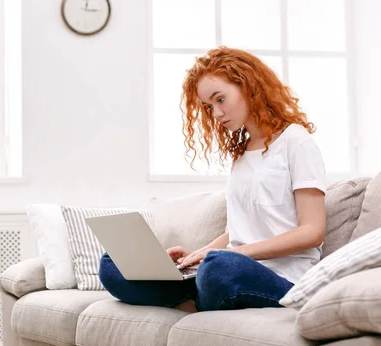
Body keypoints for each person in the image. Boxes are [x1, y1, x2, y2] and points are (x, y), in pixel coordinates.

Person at [99, 46, 327, 313]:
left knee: (220, 268)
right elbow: (239, 232)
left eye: (220, 99)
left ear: (249, 86)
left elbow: (312, 231)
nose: (216, 114)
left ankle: (193, 301)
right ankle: (194, 301)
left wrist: (230, 256)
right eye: (209, 106)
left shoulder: (295, 140)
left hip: (280, 279)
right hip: (227, 269)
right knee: (112, 263)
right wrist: (197, 256)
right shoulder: (243, 153)